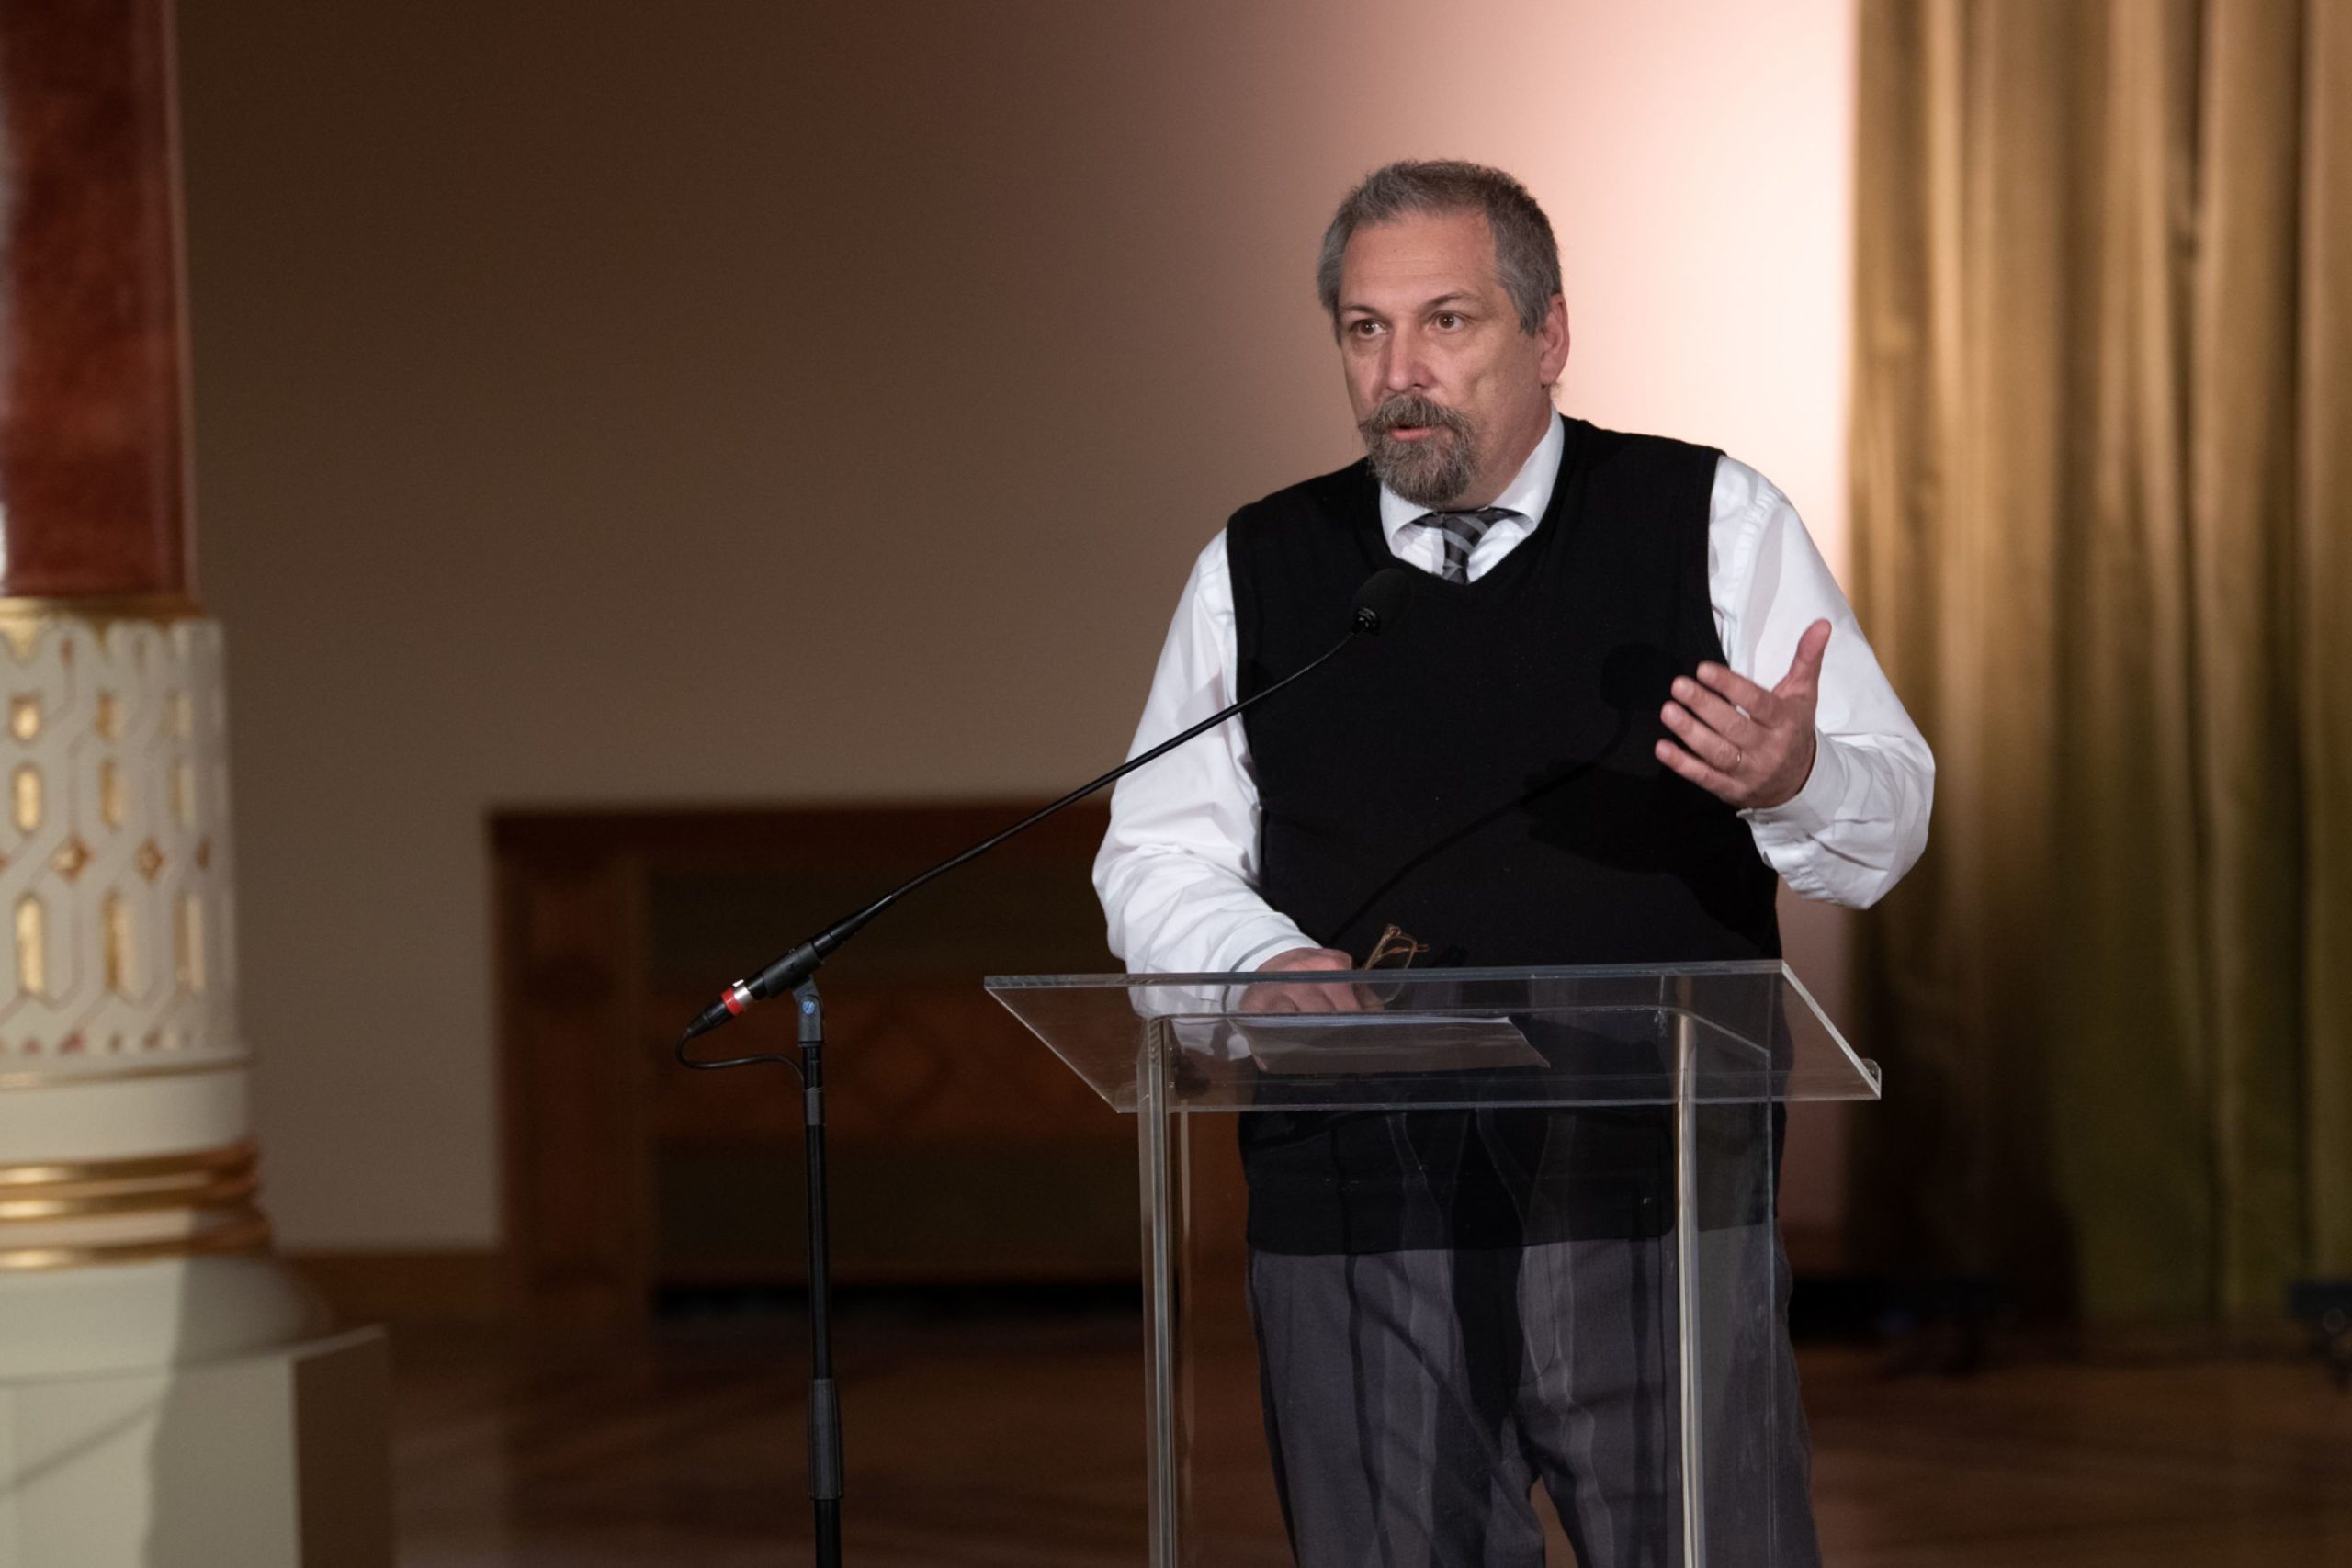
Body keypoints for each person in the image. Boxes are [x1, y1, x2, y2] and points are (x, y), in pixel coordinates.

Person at [1093, 160, 1932, 1568]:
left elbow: (1888, 821)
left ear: (1548, 336)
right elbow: (1156, 853)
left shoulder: (1709, 517)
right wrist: (1256, 960)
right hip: (1355, 1188)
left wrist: (1797, 774)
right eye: (1366, 330)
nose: (1400, 375)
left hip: (1648, 1183)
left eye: (1448, 322)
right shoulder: (1263, 565)